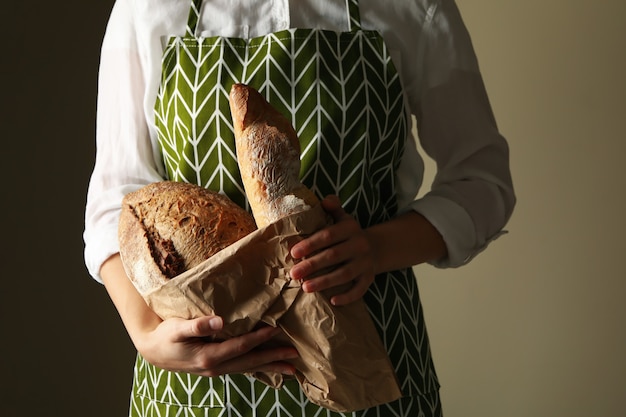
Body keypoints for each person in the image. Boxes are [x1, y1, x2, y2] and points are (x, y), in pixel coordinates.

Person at [84, 0, 515, 415]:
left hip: (368, 369)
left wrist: (373, 249)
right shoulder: (149, 6)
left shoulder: (411, 4)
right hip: (202, 389)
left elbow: (481, 182)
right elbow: (114, 198)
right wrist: (145, 334)